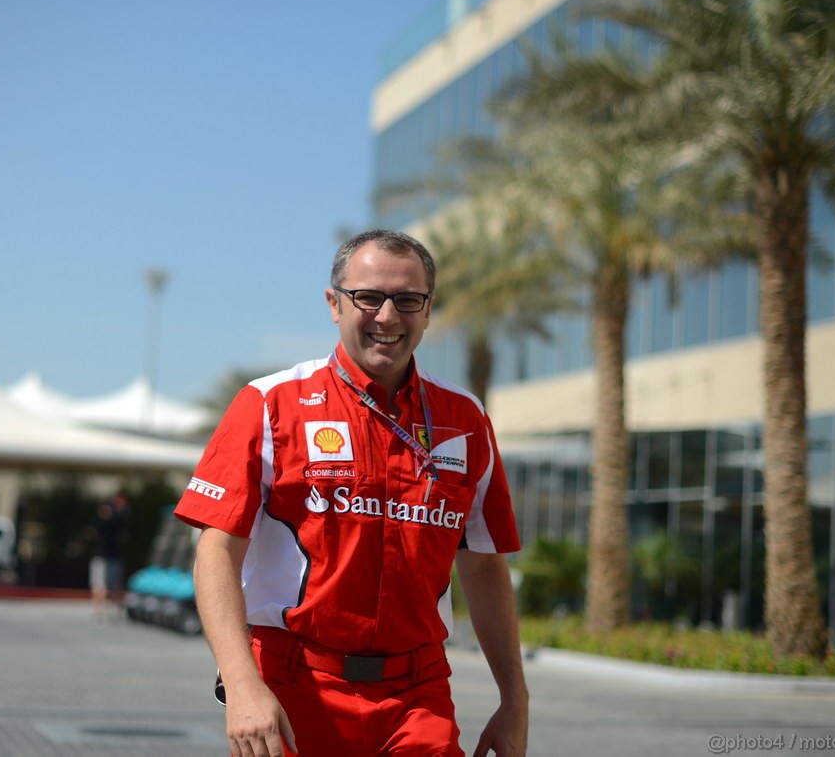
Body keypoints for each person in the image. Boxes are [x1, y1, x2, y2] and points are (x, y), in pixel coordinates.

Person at [175, 230, 529, 757]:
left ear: (428, 311)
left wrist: (514, 698)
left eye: (408, 300)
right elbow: (216, 550)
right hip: (293, 684)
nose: (388, 316)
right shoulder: (269, 404)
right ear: (333, 303)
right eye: (369, 297)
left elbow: (482, 566)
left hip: (418, 696)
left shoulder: (467, 419)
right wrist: (244, 685)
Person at [86, 492, 130, 617]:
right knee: (99, 585)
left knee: (114, 586)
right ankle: (98, 611)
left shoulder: (117, 519)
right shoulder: (99, 521)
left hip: (113, 557)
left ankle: (111, 610)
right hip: (101, 557)